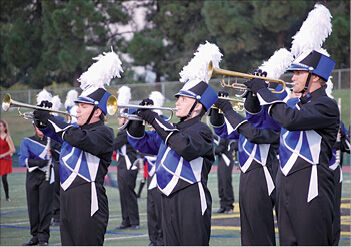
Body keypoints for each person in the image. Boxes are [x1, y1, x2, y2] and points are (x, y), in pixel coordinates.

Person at [243, 49, 339, 245]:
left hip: (311, 187)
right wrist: (253, 95)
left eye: (298, 73)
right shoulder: (294, 103)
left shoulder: (326, 106)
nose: (293, 77)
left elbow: (291, 120)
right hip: (285, 185)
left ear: (315, 77)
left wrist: (264, 90)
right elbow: (258, 121)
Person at [32, 49, 121, 245]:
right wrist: (40, 119)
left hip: (89, 203)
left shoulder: (104, 133)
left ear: (97, 112)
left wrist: (52, 120)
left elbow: (78, 138)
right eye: (78, 105)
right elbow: (53, 132)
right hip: (67, 201)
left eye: (83, 106)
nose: (77, 110)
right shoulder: (72, 130)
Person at [210, 89, 281, 245]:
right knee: (249, 229)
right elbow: (222, 130)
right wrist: (216, 111)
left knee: (259, 227)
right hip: (247, 176)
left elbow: (253, 134)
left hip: (263, 176)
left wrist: (228, 110)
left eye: (250, 99)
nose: (246, 104)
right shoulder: (246, 124)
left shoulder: (272, 123)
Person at [213, 134, 235, 214]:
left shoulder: (225, 134)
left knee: (226, 183)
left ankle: (229, 206)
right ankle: (223, 205)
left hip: (226, 160)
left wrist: (209, 151)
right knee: (221, 183)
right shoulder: (221, 135)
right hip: (221, 160)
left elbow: (220, 148)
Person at [0, 119, 15, 202]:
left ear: (4, 127)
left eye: (0, 126)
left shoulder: (7, 137)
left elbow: (13, 150)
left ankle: (7, 197)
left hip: (5, 160)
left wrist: (2, 155)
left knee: (4, 179)